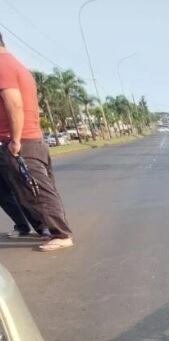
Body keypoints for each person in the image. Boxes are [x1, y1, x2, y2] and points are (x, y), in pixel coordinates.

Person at [0, 32, 73, 251]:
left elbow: (15, 104)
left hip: (22, 141)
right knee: (26, 190)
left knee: (38, 190)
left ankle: (62, 234)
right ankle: (47, 230)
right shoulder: (13, 64)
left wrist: (15, 140)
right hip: (26, 139)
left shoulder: (2, 65)